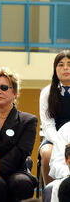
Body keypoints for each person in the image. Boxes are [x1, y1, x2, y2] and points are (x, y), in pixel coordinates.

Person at [0, 68, 38, 202]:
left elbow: (20, 152)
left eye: (4, 87)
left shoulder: (28, 120)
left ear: (15, 93)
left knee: (20, 182)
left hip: (16, 169)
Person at [39, 51, 70, 186]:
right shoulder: (47, 92)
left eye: (69, 64)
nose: (65, 68)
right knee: (47, 154)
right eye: (60, 65)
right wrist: (60, 142)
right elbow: (47, 125)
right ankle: (50, 192)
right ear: (55, 69)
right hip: (54, 138)